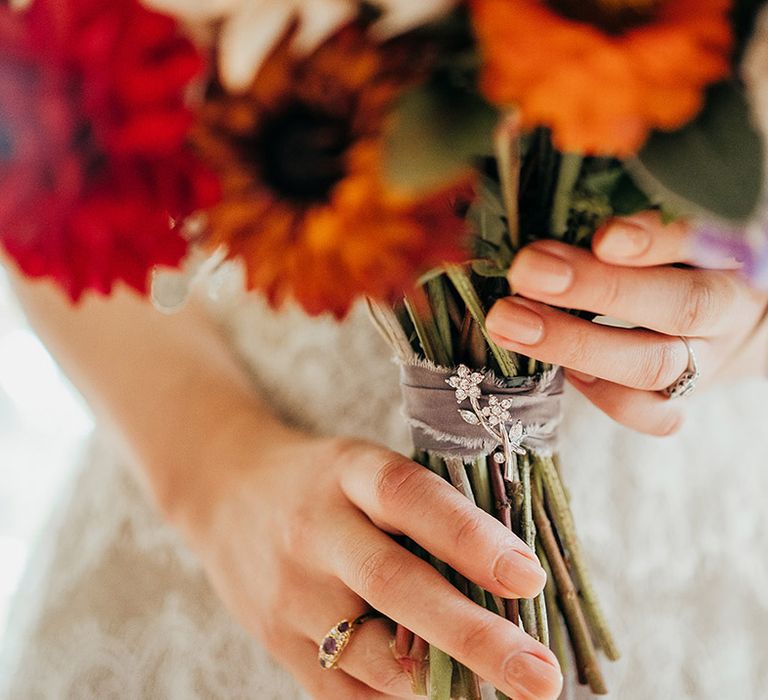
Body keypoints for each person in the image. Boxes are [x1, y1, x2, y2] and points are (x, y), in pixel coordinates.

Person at [0, 211, 767, 700]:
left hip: (690, 539)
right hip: (240, 489)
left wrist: (750, 309)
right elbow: (42, 135)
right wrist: (214, 472)